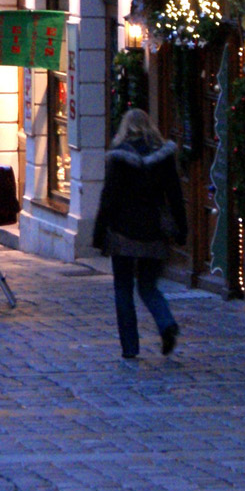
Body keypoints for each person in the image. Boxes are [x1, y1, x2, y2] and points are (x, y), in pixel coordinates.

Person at [91, 108, 188, 360]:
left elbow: (108, 199)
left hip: (123, 233)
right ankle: (166, 322)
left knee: (123, 288)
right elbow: (175, 197)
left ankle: (130, 347)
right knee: (148, 286)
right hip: (154, 231)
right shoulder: (164, 157)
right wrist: (181, 229)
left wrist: (99, 233)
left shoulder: (119, 159)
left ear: (125, 128)